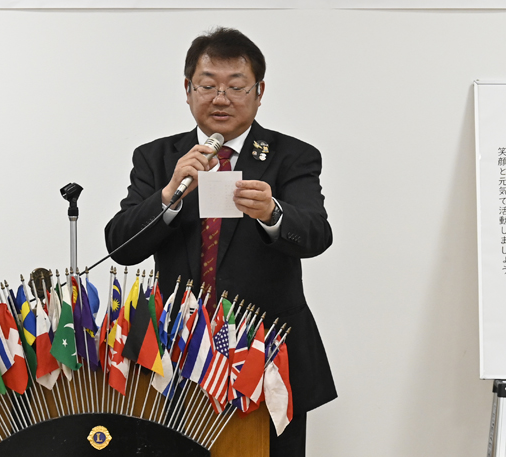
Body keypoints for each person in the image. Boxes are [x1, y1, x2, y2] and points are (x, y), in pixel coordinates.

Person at [105, 27, 336, 456]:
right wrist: (167, 196)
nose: (221, 98)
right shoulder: (157, 158)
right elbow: (121, 246)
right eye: (208, 86)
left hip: (267, 353)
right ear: (188, 90)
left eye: (236, 86)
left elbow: (317, 235)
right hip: (177, 353)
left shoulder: (292, 156)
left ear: (259, 92)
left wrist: (273, 213)